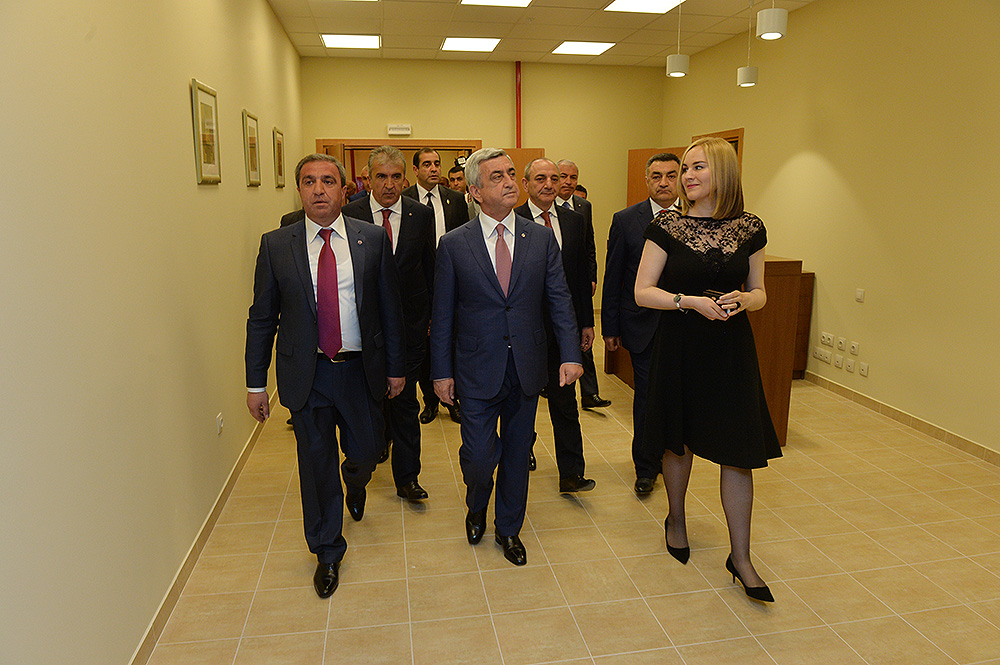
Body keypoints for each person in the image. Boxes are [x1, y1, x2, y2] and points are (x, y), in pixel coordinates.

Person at [245, 153, 405, 598]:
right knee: (316, 466)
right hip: (307, 373)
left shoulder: (372, 239)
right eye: (309, 181)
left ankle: (355, 480)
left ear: (344, 189)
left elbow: (390, 310)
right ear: (299, 189)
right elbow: (262, 318)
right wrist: (256, 384)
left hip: (360, 370)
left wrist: (396, 368)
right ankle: (327, 551)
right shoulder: (276, 244)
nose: (319, 189)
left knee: (368, 452)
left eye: (328, 181)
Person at [634, 137, 781, 603]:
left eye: (698, 167)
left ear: (724, 172)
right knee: (678, 440)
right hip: (681, 345)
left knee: (738, 451)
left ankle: (741, 558)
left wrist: (746, 299)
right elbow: (642, 291)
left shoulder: (750, 227)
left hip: (731, 350)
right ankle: (676, 519)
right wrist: (689, 301)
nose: (687, 176)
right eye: (685, 168)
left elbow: (760, 292)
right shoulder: (667, 225)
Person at [430, 148, 582, 566]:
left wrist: (571, 354)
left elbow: (560, 300)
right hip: (475, 367)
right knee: (480, 458)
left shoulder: (541, 239)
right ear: (476, 191)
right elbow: (443, 315)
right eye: (497, 176)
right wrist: (440, 372)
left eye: (511, 173)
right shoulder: (454, 244)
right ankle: (477, 503)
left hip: (527, 365)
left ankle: (508, 528)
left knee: (517, 453)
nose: (510, 182)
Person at [342, 146, 436, 503]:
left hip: (410, 327)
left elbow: (429, 269)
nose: (389, 184)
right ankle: (364, 463)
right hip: (364, 330)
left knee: (405, 403)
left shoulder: (420, 215)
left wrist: (431, 318)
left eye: (396, 177)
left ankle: (408, 478)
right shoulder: (350, 214)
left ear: (405, 179)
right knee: (368, 402)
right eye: (381, 176)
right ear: (368, 179)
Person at [514, 158, 596, 493]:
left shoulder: (574, 220)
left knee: (565, 404)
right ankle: (522, 453)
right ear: (526, 184)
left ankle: (571, 473)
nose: (549, 184)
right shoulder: (512, 220)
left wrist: (586, 322)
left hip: (564, 329)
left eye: (554, 178)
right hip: (525, 331)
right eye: (540, 178)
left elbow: (580, 277)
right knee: (523, 402)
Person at [602, 152, 680, 496]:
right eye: (656, 176)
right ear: (647, 180)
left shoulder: (698, 217)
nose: (664, 183)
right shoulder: (625, 220)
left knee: (678, 397)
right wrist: (610, 327)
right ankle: (646, 467)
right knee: (647, 397)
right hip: (642, 325)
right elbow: (614, 276)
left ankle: (674, 457)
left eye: (671, 175)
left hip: (685, 324)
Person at [403, 148, 470, 425]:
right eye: (427, 164)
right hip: (418, 284)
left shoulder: (456, 199)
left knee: (451, 342)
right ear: (415, 170)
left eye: (436, 163)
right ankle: (430, 401)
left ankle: (453, 400)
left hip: (452, 281)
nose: (433, 168)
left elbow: (466, 241)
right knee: (425, 346)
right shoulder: (405, 199)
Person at [556, 159, 610, 410]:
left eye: (573, 177)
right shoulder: (544, 207)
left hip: (577, 285)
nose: (568, 182)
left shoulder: (583, 206)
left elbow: (589, 246)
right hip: (553, 284)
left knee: (583, 338)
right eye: (563, 176)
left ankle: (590, 392)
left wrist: (592, 276)